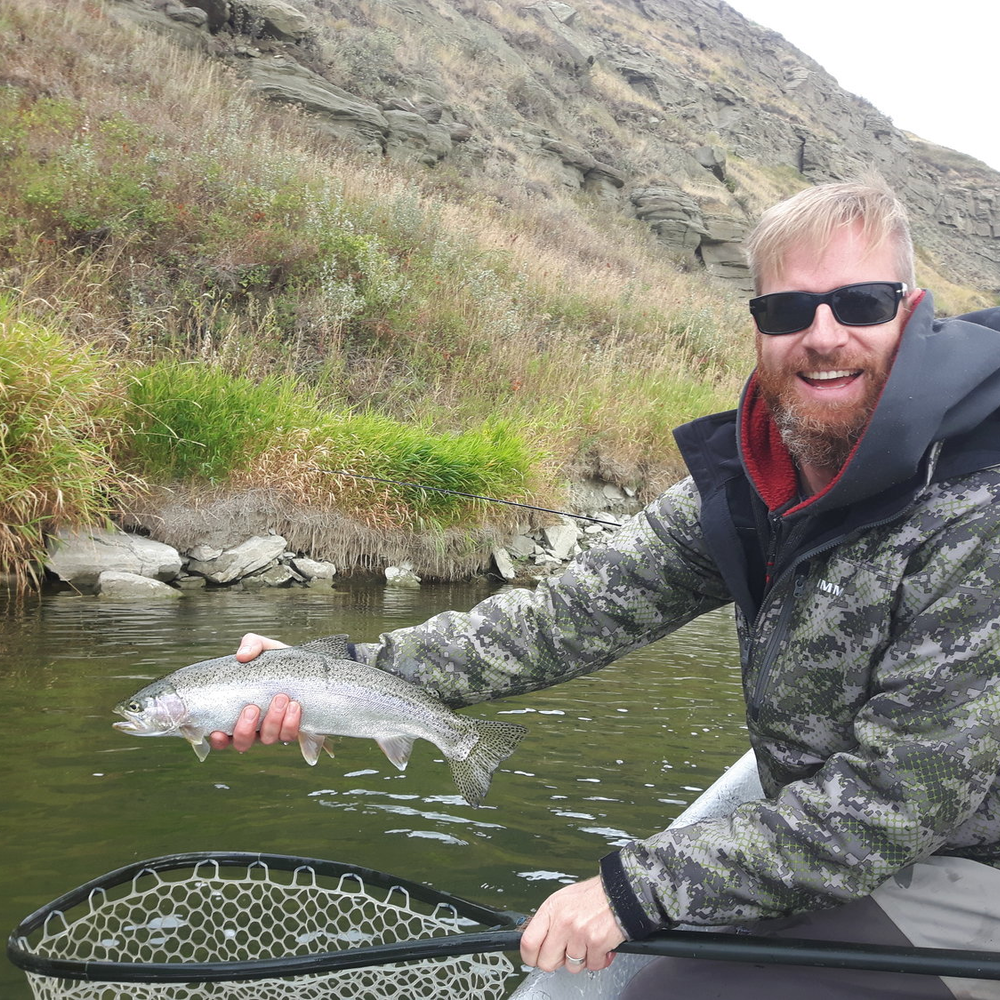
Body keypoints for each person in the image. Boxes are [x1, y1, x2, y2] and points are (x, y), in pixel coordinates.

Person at [211, 179, 1000, 998]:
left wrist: (632, 892)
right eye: (788, 311)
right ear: (758, 327)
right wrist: (332, 670)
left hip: (967, 859)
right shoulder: (759, 479)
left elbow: (887, 808)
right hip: (845, 835)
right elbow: (559, 619)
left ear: (910, 312)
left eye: (860, 302)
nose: (823, 335)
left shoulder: (980, 509)